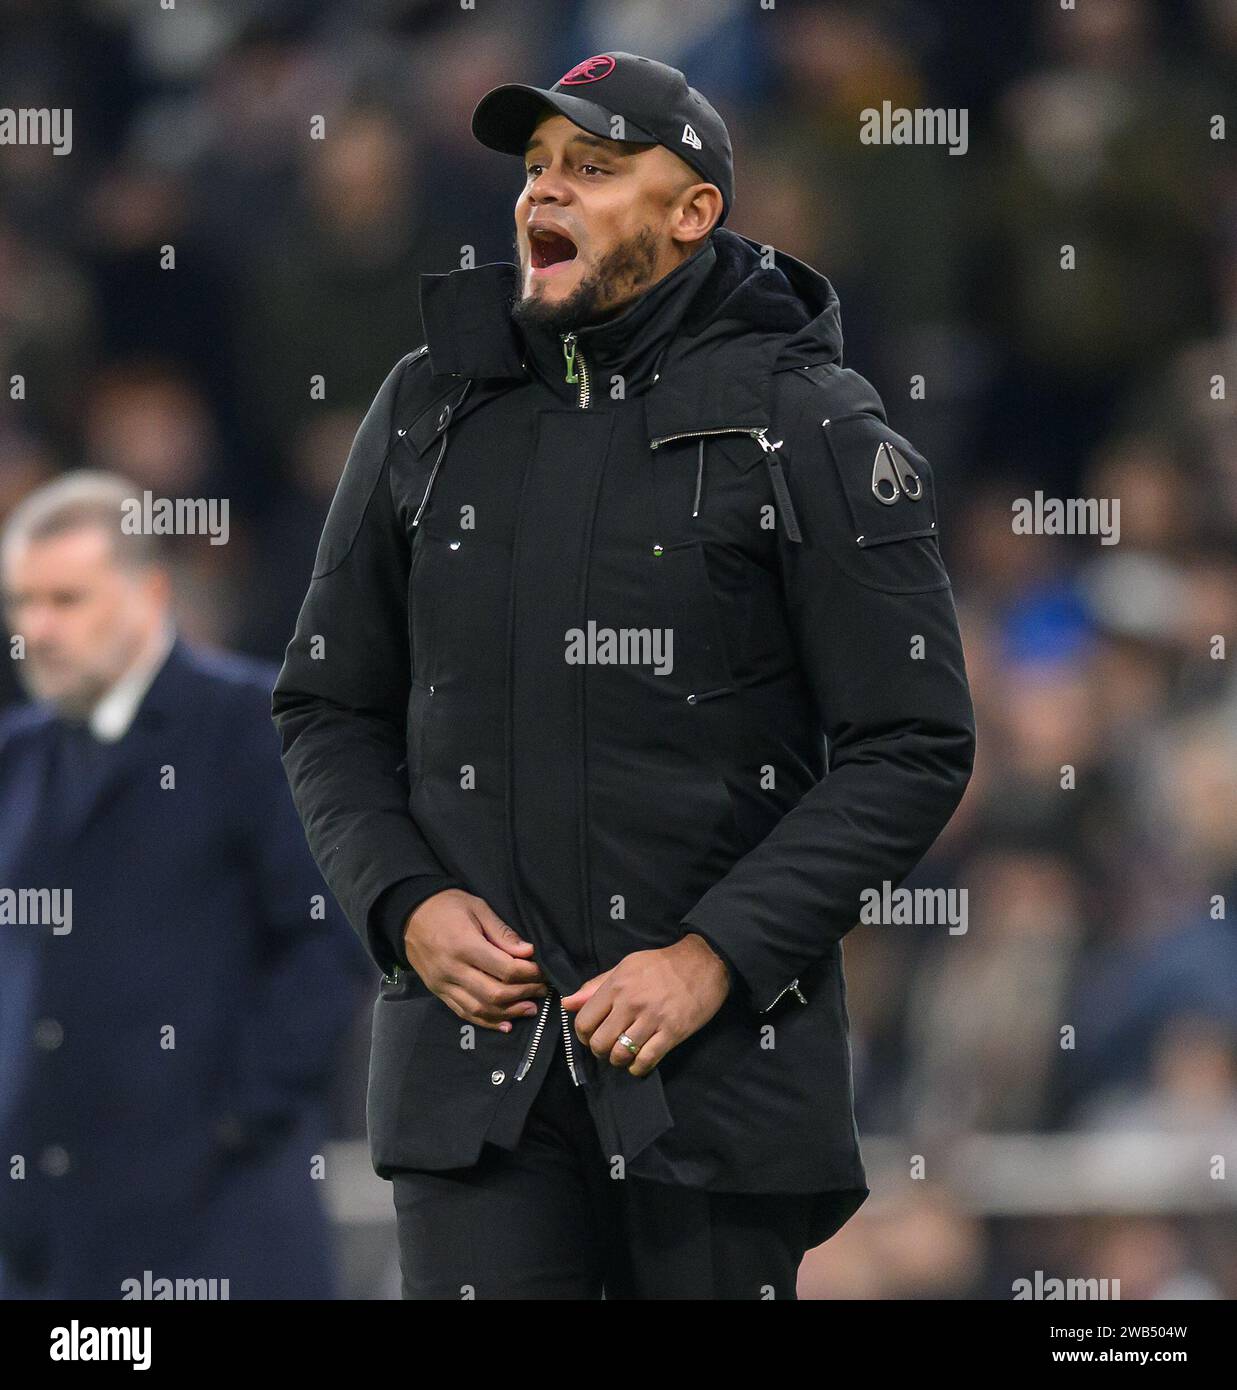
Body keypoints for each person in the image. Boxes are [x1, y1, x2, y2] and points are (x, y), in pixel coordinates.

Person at [273, 51, 975, 1299]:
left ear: (693, 212)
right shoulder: (428, 405)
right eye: (535, 169)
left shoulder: (808, 420)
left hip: (714, 1084)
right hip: (474, 1080)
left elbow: (913, 743)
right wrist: (401, 901)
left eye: (593, 170)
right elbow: (327, 702)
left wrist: (714, 955)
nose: (544, 194)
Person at [0, 471, 371, 1299]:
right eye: (21, 604)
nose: (37, 631)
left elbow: (329, 936)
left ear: (150, 589)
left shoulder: (250, 728)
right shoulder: (19, 759)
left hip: (217, 1229)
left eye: (66, 600)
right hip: (48, 1241)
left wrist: (233, 1117)